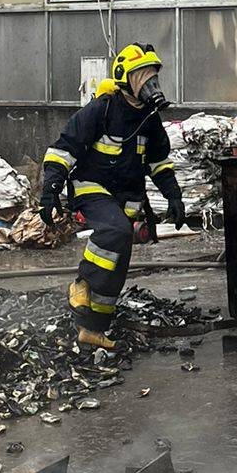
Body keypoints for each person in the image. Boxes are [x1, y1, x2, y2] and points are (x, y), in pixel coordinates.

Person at [39, 43, 186, 348]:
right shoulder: (102, 109)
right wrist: (50, 191)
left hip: (126, 198)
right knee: (115, 231)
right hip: (92, 187)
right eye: (141, 75)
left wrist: (174, 196)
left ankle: (92, 328)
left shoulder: (150, 119)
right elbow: (64, 149)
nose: (149, 83)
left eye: (152, 75)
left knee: (117, 261)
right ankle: (81, 282)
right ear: (124, 78)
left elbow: (159, 162)